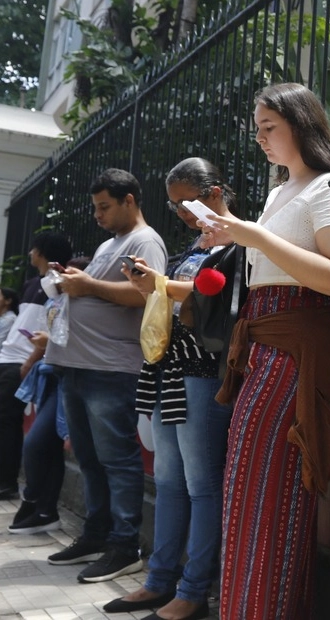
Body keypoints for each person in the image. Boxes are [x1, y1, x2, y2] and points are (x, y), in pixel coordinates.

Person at [199, 83, 330, 620]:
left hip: (296, 353)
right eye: (258, 127)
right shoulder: (278, 193)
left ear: (301, 125)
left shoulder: (329, 188)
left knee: (269, 489)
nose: (260, 138)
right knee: (248, 489)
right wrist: (236, 236)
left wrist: (255, 238)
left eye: (270, 127)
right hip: (263, 345)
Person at [101, 158, 238, 620]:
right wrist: (150, 287)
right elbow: (176, 302)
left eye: (188, 202)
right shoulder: (195, 243)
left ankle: (193, 590)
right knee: (168, 482)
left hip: (202, 371)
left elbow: (212, 304)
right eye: (174, 204)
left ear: (215, 192)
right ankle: (160, 581)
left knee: (200, 485)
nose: (181, 212)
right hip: (168, 369)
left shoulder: (239, 240)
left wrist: (161, 285)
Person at [44, 168, 167, 583]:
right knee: (92, 459)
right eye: (95, 207)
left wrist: (89, 286)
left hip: (111, 369)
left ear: (129, 200)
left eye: (104, 206)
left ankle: (124, 545)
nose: (97, 215)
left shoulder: (144, 241)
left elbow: (146, 294)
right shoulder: (110, 243)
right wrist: (74, 282)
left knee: (116, 460)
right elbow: (95, 287)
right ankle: (96, 535)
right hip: (81, 366)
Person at [0, 232, 72, 503]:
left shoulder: (58, 284)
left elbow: (52, 327)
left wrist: (28, 363)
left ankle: (7, 483)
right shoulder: (31, 284)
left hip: (21, 363)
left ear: (40, 251)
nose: (29, 254)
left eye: (32, 249)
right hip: (7, 359)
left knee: (9, 424)